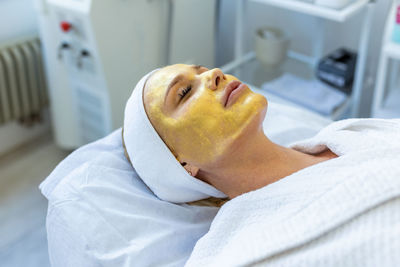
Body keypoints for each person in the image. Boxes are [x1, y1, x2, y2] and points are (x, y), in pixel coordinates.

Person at [135, 64, 337, 199]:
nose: (214, 72)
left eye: (202, 70)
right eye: (184, 92)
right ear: (182, 164)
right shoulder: (250, 247)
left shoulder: (346, 135)